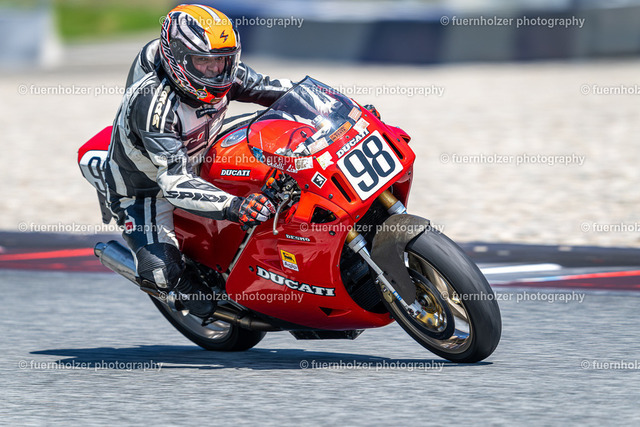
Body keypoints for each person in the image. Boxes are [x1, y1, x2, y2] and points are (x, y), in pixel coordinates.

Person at [104, 4, 291, 318]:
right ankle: (183, 282)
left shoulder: (224, 73)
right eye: (203, 61)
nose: (215, 70)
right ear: (177, 58)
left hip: (204, 152)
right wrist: (236, 206)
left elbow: (279, 89)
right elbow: (174, 182)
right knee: (161, 272)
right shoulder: (153, 105)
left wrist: (344, 111)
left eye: (223, 59)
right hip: (148, 190)